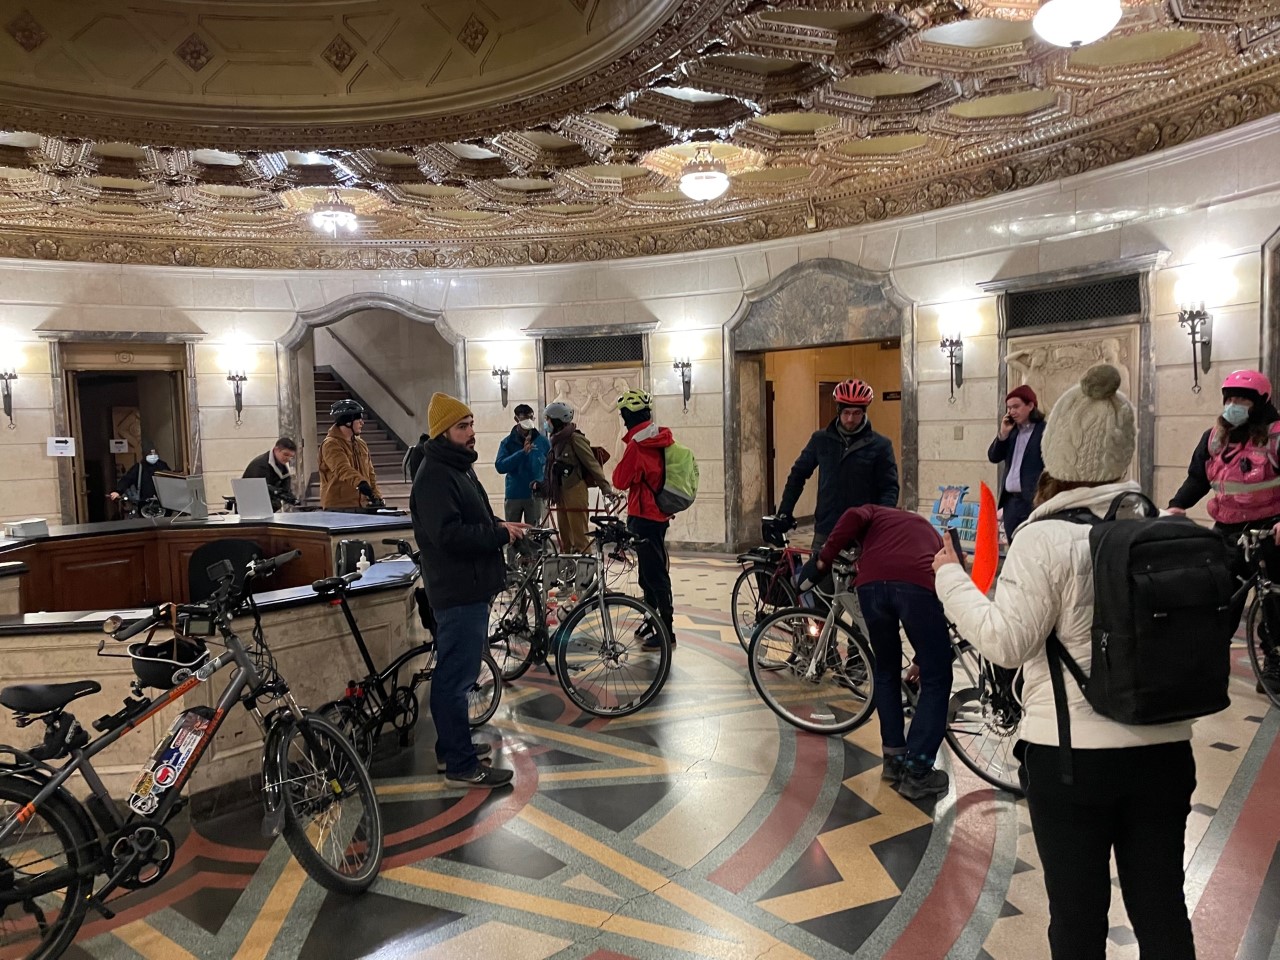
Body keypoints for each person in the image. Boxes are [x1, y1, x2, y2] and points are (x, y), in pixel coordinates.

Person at [934, 365, 1196, 960]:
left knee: (1077, 921)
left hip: (1073, 759)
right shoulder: (1153, 523)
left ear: (1058, 451)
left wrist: (949, 576)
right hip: (1164, 751)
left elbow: (1005, 642)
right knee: (1163, 912)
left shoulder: (1043, 536)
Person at [798, 505, 952, 799]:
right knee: (937, 676)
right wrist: (923, 658)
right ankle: (918, 772)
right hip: (917, 587)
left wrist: (823, 561)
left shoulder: (872, 514)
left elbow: (853, 516)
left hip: (871, 588)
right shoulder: (924, 528)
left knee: (885, 670)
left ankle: (893, 759)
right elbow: (940, 595)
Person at [411, 392, 524, 788]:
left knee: (458, 672)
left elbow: (475, 513)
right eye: (463, 426)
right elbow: (448, 536)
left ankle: (452, 749)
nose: (472, 432)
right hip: (457, 591)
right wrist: (496, 533)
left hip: (471, 587)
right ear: (443, 433)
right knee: (454, 678)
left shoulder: (457, 467)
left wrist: (502, 527)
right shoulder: (435, 475)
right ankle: (459, 765)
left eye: (472, 423)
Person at [1167, 368, 1280, 694]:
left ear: (1260, 403)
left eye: (1242, 400)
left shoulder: (1274, 436)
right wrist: (1177, 505)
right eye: (1230, 399)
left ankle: (1275, 659)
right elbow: (1197, 479)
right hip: (1227, 529)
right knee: (1218, 596)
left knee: (1274, 600)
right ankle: (1209, 659)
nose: (1234, 405)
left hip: (1269, 530)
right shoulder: (1215, 437)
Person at [776, 379, 899, 558]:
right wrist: (785, 511)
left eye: (856, 413)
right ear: (838, 411)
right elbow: (798, 474)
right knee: (816, 581)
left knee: (862, 584)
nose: (850, 419)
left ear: (864, 412)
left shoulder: (880, 445)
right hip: (827, 527)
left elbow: (889, 488)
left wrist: (880, 521)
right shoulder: (820, 439)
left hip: (863, 531)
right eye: (846, 412)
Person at [612, 388, 676, 649]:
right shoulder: (661, 438)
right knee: (650, 573)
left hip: (643, 517)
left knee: (654, 576)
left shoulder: (638, 446)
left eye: (623, 415)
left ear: (629, 416)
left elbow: (619, 480)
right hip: (659, 515)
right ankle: (653, 623)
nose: (623, 419)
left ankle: (666, 632)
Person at [543, 400, 616, 554]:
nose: (546, 423)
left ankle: (586, 571)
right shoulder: (556, 440)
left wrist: (605, 488)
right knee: (565, 538)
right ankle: (568, 571)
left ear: (557, 420)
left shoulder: (574, 438)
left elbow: (592, 464)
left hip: (575, 489)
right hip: (561, 490)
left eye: (548, 419)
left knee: (580, 536)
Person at [987, 384, 1046, 542]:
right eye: (1009, 408)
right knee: (1014, 548)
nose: (1012, 411)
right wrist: (1003, 435)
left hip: (1033, 501)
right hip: (1011, 503)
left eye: (1016, 406)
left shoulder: (1044, 431)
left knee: (1032, 547)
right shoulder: (1011, 431)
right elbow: (993, 457)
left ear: (1030, 405)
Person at [495, 404, 550, 564]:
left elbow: (549, 465)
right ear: (516, 419)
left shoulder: (542, 442)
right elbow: (500, 466)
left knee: (534, 533)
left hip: (535, 495)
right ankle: (513, 570)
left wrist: (545, 485)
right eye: (524, 418)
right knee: (512, 534)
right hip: (514, 495)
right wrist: (521, 453)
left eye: (531, 417)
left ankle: (534, 569)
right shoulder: (507, 442)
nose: (528, 421)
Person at [319, 399, 384, 509]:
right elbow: (342, 468)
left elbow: (370, 474)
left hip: (361, 505)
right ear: (348, 422)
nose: (362, 423)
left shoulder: (361, 444)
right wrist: (361, 483)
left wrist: (377, 496)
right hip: (339, 506)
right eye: (359, 420)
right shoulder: (331, 444)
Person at [241, 437, 298, 510]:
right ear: (276, 450)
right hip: (251, 507)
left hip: (268, 506)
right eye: (286, 454)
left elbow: (285, 490)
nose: (288, 459)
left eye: (291, 457)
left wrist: (294, 501)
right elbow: (257, 490)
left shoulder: (282, 467)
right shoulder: (260, 465)